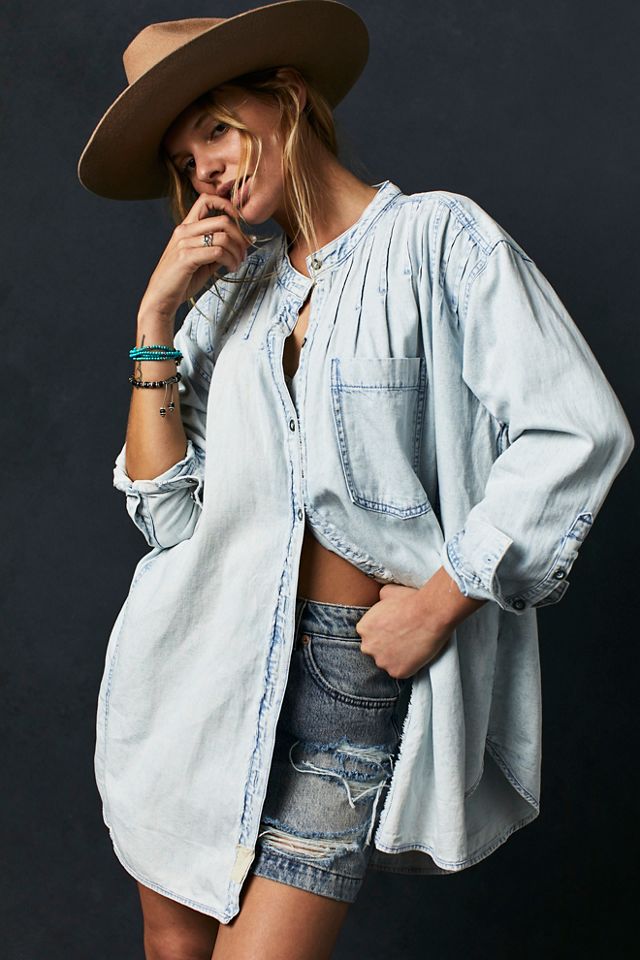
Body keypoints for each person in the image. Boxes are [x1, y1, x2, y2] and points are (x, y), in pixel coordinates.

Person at [77, 3, 635, 959]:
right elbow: (167, 517)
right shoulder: (231, 295)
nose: (205, 168)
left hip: (350, 677)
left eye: (215, 129)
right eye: (184, 159)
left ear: (288, 97)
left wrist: (441, 601)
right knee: (172, 949)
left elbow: (575, 429)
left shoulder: (437, 239)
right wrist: (156, 320)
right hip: (198, 666)